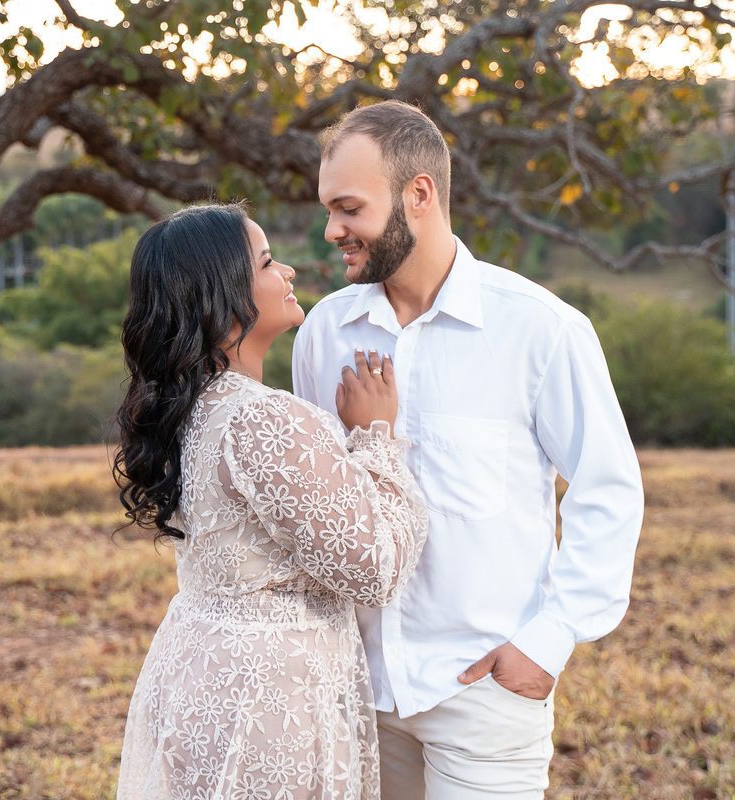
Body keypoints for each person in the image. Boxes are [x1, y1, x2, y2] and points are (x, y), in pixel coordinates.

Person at [293, 101, 644, 799]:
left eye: (350, 209)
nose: (333, 230)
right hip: (361, 690)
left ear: (418, 195)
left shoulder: (540, 330)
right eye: (330, 210)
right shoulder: (326, 334)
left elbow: (609, 490)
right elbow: (326, 508)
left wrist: (549, 641)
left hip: (485, 690)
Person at [112, 203, 429, 800]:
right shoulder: (262, 418)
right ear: (222, 294)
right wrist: (375, 436)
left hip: (200, 672)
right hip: (266, 701)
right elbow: (376, 570)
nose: (286, 271)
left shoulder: (189, 407)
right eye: (265, 261)